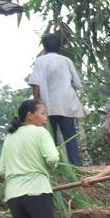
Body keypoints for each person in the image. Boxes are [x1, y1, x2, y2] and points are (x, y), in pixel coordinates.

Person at [28, 33, 86, 166]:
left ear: (44, 47)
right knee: (70, 136)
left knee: (50, 137)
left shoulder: (40, 61)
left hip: (47, 106)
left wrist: (35, 104)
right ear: (59, 47)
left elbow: (35, 84)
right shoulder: (66, 60)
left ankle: (55, 166)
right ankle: (76, 166)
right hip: (67, 104)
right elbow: (77, 84)